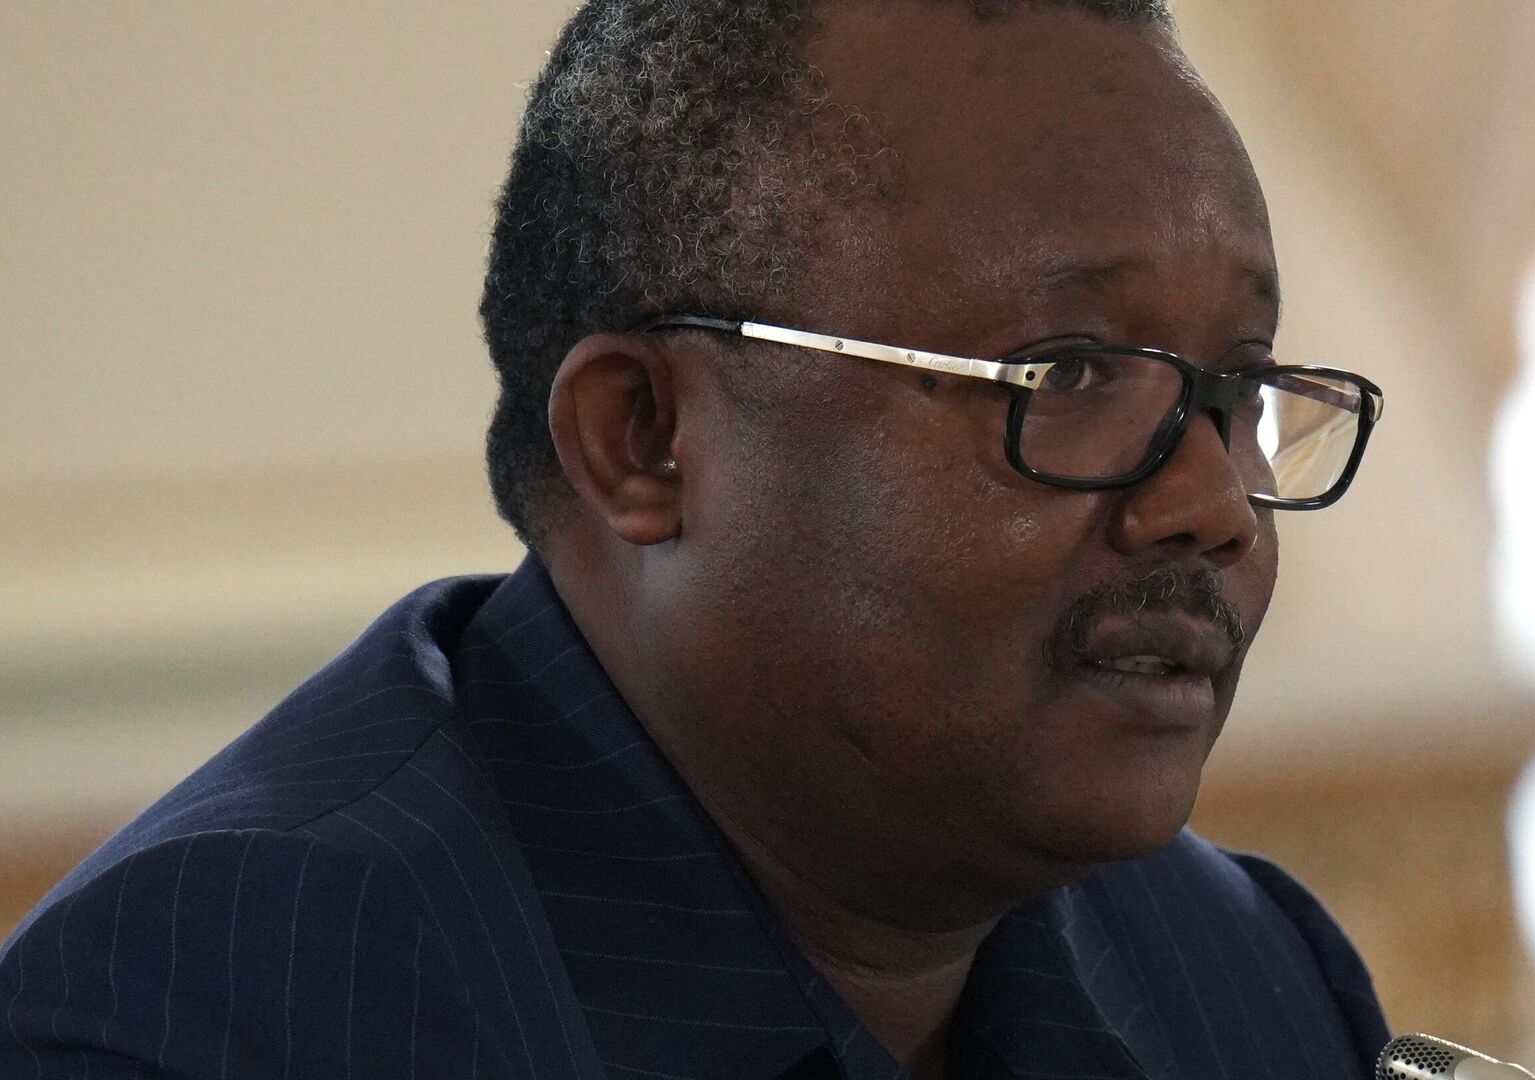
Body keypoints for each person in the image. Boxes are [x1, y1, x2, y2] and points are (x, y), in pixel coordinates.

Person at [0, 1, 1389, 1077]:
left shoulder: (1244, 977)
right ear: (645, 438)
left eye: (1237, 387)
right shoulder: (214, 1015)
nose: (1212, 506)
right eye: (1070, 374)